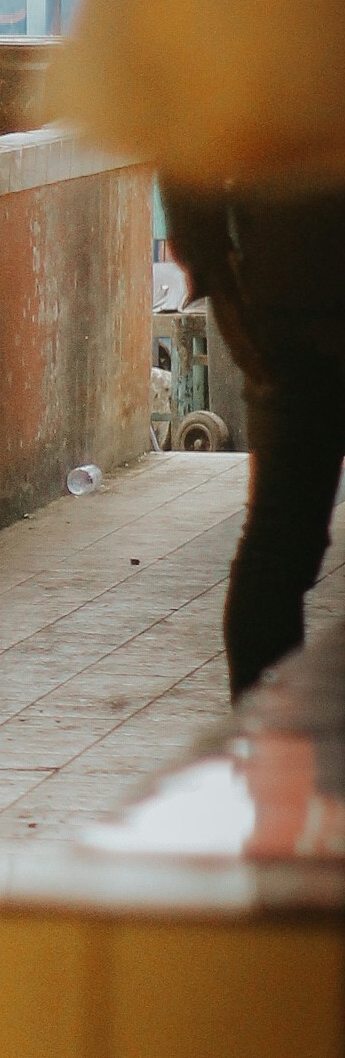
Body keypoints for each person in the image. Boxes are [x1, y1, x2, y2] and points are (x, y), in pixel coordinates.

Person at [163, 179, 345, 699]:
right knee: (282, 539)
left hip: (290, 288)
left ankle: (267, 743)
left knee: (280, 539)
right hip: (297, 294)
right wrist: (219, 280)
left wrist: (219, 276)